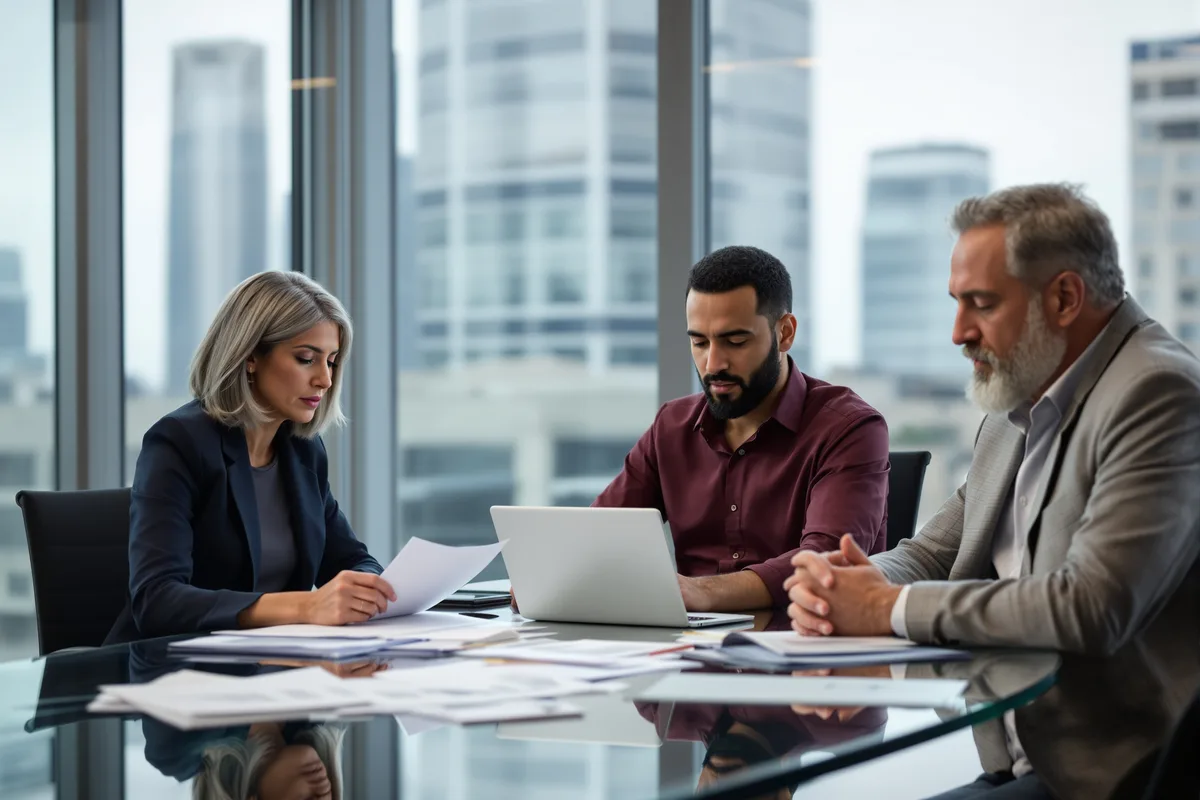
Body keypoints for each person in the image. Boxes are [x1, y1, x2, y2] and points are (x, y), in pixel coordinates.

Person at [785, 184, 1200, 799]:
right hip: (1013, 760)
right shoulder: (1018, 399)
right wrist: (840, 586)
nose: (959, 333)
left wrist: (882, 609)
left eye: (980, 304)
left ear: (1063, 297)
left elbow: (1090, 606)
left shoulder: (1158, 395)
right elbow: (932, 555)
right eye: (956, 303)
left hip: (1113, 777)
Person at [595, 245, 889, 613]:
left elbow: (826, 560)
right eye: (699, 342)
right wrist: (556, 579)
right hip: (691, 652)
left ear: (784, 333)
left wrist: (703, 592)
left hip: (808, 647)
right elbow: (601, 535)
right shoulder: (671, 426)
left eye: (735, 341)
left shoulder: (850, 427)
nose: (713, 363)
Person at [106, 271, 395, 642]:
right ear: (250, 357)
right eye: (307, 359)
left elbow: (350, 560)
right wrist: (306, 606)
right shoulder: (178, 443)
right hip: (172, 672)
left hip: (269, 664)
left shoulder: (302, 451)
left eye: (332, 361)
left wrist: (372, 589)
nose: (325, 379)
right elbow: (157, 600)